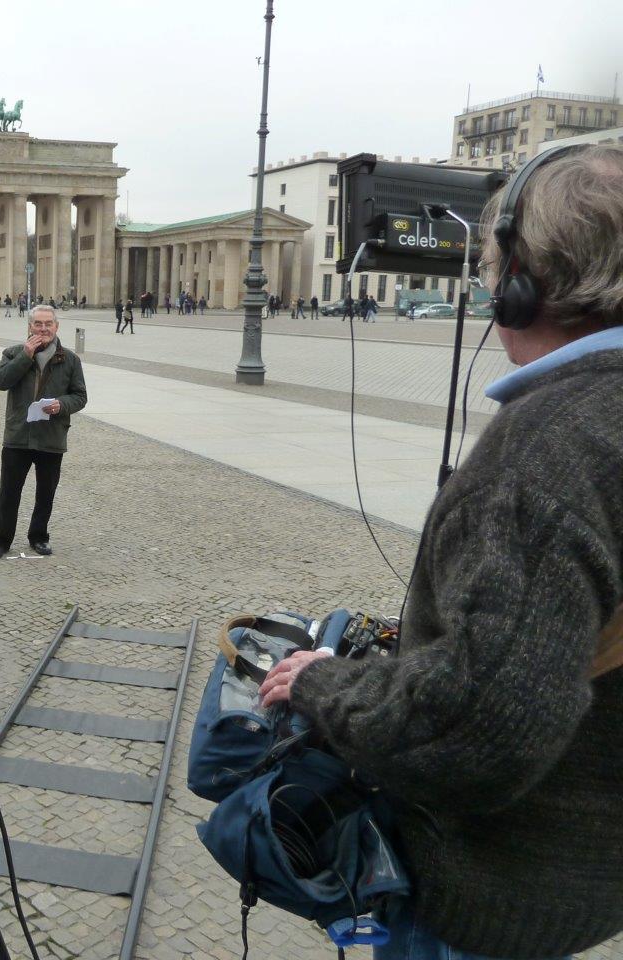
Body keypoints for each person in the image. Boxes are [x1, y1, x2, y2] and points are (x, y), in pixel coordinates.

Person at [259, 143, 623, 960]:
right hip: (591, 870)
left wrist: (325, 682)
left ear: (519, 280)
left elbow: (475, 731)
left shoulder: (549, 453)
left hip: (491, 901)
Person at [0, 305, 88, 560]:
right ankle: (1, 540)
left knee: (46, 492)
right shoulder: (13, 353)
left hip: (51, 435)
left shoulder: (70, 359)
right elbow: (1, 382)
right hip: (18, 435)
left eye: (48, 324)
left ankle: (39, 537)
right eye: (38, 324)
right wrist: (26, 355)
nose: (43, 329)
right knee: (9, 492)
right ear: (29, 326)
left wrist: (61, 405)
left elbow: (80, 396)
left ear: (56, 326)